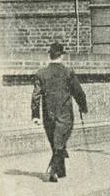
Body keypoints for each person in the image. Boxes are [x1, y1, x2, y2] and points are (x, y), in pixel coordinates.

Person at [31, 43, 87, 183]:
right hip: (65, 114)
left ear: (50, 55)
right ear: (62, 56)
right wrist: (83, 106)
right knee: (59, 142)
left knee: (55, 142)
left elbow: (36, 95)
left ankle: (61, 171)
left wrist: (35, 115)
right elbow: (78, 92)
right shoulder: (68, 72)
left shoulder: (41, 73)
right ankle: (53, 170)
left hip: (48, 114)